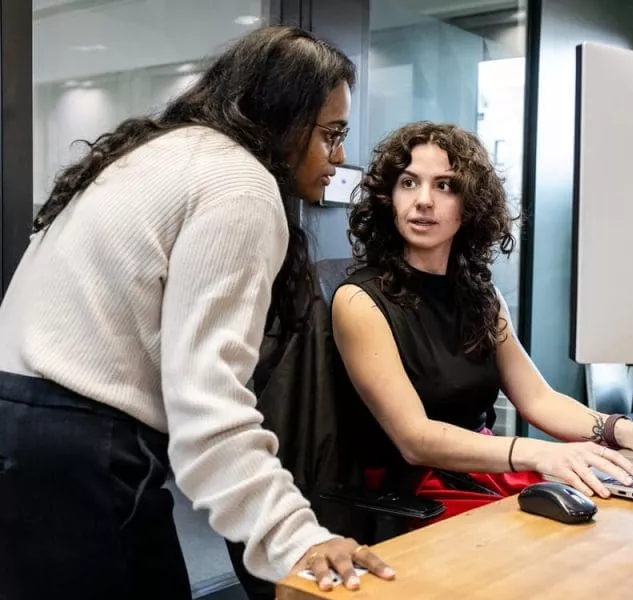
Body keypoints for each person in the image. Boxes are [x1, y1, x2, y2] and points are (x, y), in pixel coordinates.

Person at [0, 26, 394, 600]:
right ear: (284, 118)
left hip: (18, 431)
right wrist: (296, 540)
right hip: (79, 455)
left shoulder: (159, 153)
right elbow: (207, 403)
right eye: (331, 133)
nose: (339, 156)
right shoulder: (239, 184)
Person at [331, 121, 633, 522]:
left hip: (480, 473)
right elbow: (415, 439)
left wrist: (624, 431)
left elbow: (538, 399)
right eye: (409, 183)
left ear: (470, 205)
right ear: (389, 197)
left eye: (444, 186)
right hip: (411, 494)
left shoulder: (481, 296)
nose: (423, 200)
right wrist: (536, 451)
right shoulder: (359, 301)